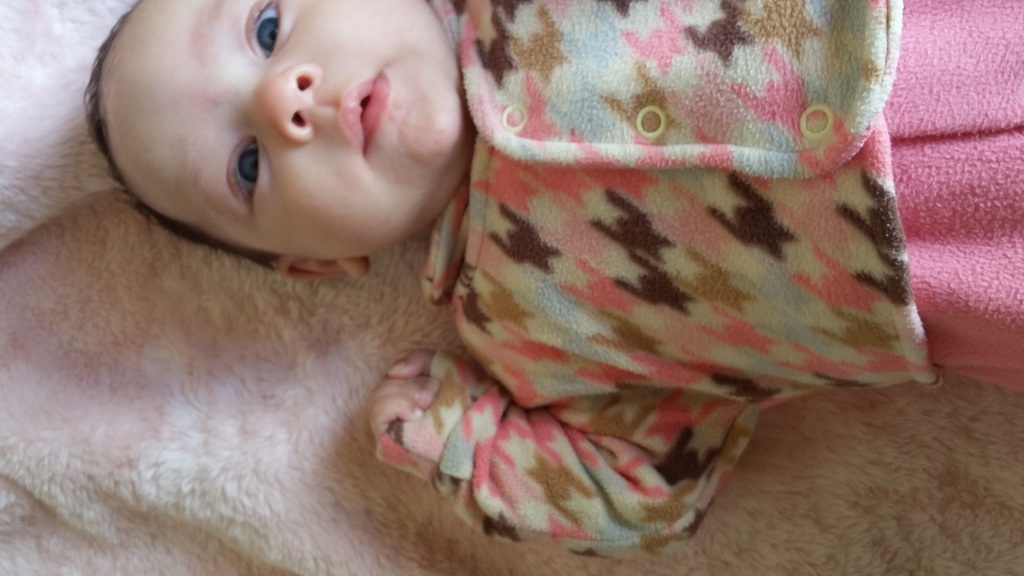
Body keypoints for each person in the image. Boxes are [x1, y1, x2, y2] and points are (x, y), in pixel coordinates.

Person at [85, 0, 1023, 555]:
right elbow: (644, 485)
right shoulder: (524, 331)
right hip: (977, 289)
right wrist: (462, 440)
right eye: (248, 165)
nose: (281, 97)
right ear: (319, 264)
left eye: (267, 26)